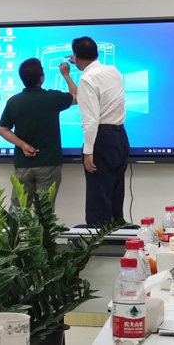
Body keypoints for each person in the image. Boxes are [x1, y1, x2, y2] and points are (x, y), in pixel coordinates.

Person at [60, 36, 128, 225]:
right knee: (115, 197)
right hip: (120, 138)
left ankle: (99, 238)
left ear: (77, 57)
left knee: (98, 201)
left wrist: (88, 151)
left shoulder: (87, 78)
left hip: (101, 139)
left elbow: (90, 120)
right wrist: (78, 61)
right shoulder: (113, 71)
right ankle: (117, 234)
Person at [0, 58, 76, 207]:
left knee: (18, 211)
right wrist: (66, 74)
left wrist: (23, 145)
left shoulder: (14, 101)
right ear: (42, 77)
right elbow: (77, 96)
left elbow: (3, 130)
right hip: (49, 163)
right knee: (44, 212)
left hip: (23, 164)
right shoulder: (53, 97)